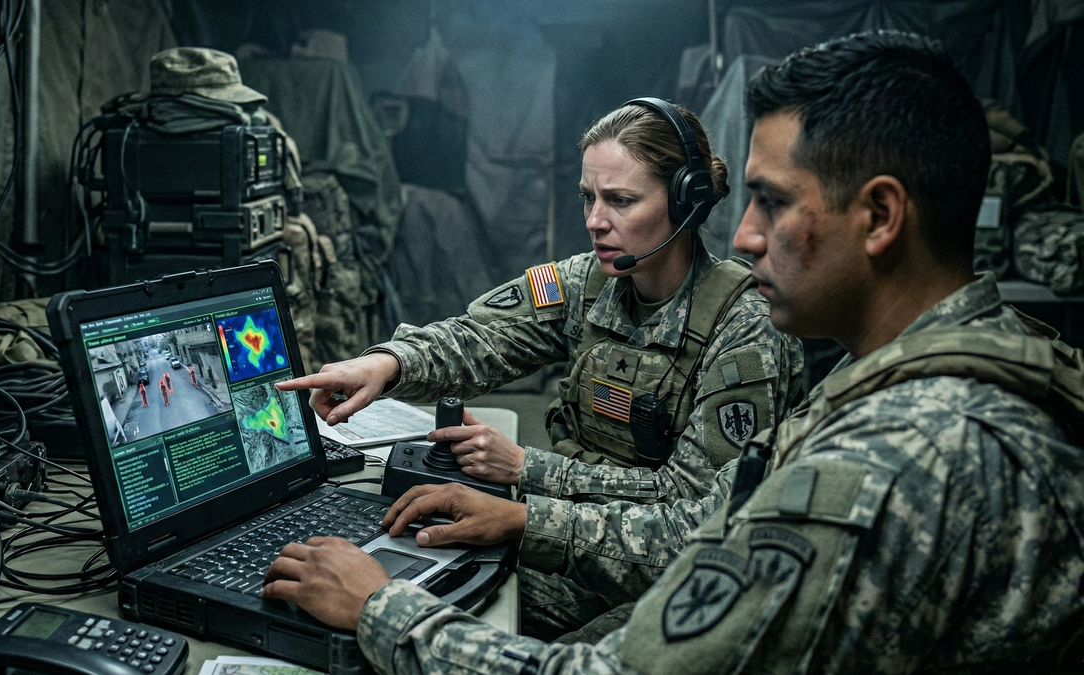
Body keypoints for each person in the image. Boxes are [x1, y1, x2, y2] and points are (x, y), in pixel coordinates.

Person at [262, 31, 1084, 673]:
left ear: (879, 216)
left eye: (771, 201)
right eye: (588, 198)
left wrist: (388, 605)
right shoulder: (921, 381)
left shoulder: (891, 449)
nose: (749, 233)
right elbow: (493, 334)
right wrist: (394, 364)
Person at [276, 98, 804, 639]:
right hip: (576, 541)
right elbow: (481, 336)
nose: (595, 221)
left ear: (685, 203)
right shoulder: (588, 283)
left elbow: (692, 515)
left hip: (673, 581)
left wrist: (528, 474)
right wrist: (387, 363)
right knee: (385, 572)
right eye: (588, 198)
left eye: (620, 200)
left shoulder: (745, 331)